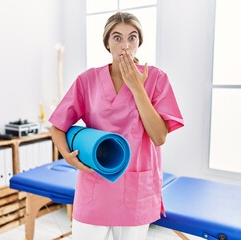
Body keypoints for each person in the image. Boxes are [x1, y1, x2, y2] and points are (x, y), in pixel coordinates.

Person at [49, 12, 184, 240]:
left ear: (139, 42)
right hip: (95, 185)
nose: (125, 45)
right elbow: (57, 125)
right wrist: (67, 155)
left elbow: (159, 137)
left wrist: (137, 89)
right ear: (107, 42)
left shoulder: (157, 79)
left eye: (132, 38)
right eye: (117, 37)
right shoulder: (87, 80)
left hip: (136, 191)